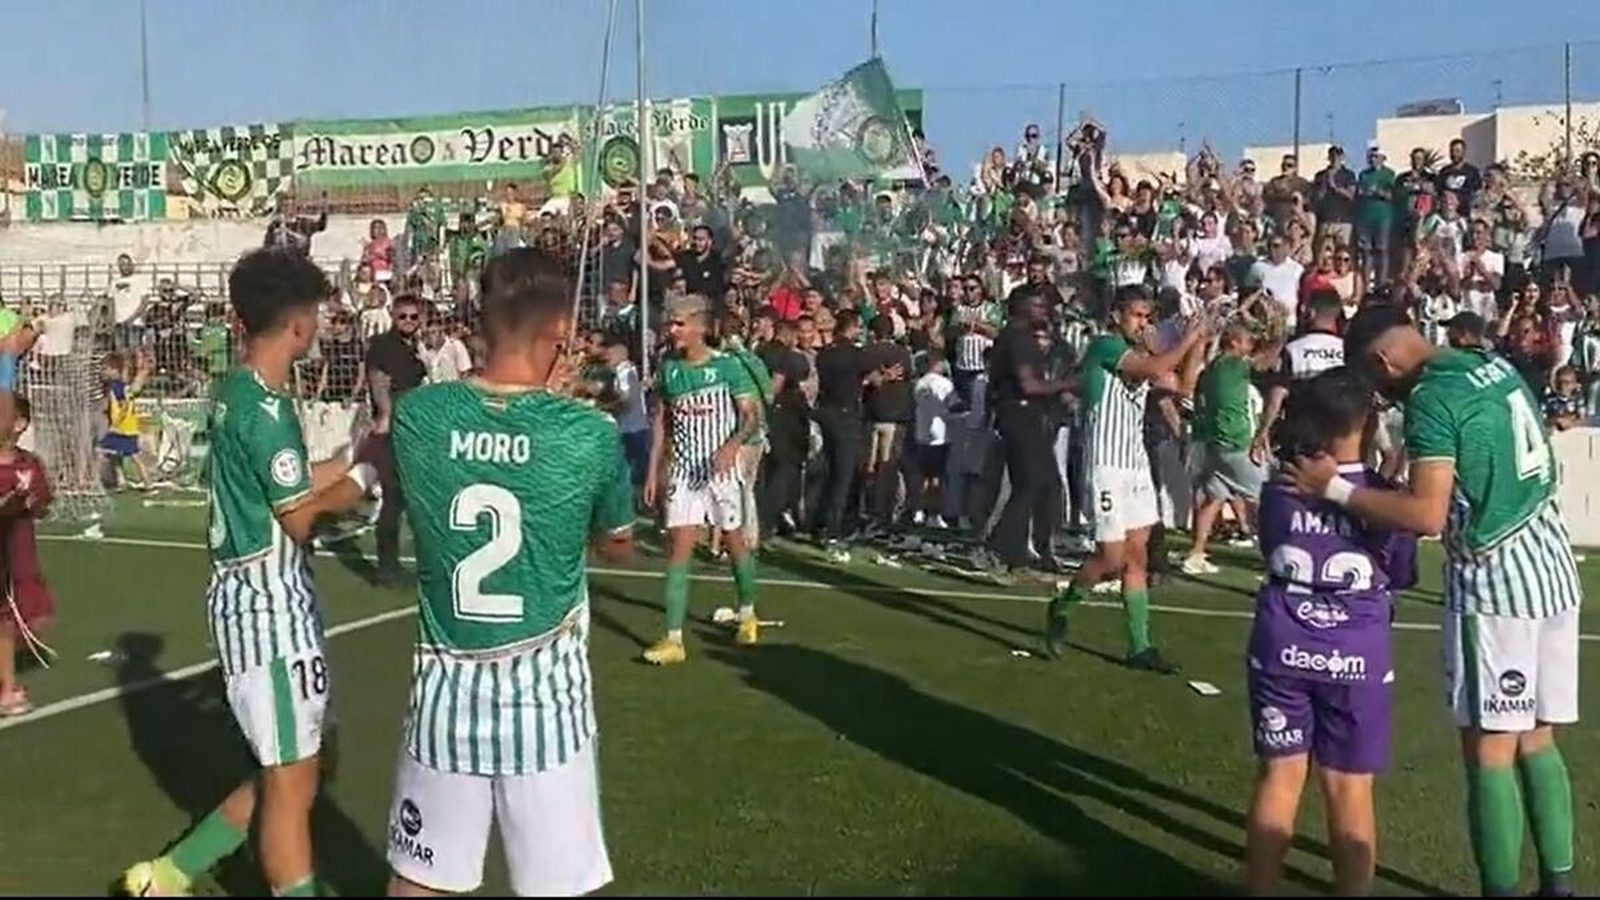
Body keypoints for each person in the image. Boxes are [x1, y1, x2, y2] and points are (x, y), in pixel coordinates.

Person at [1284, 305, 1581, 898]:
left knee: (1489, 749)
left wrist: (1333, 488)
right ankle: (1560, 885)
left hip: (1496, 581)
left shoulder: (1432, 398)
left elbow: (1426, 513)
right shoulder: (1487, 362)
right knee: (1538, 738)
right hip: (1551, 561)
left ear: (1383, 360)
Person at [121, 249, 379, 898]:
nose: (319, 324)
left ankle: (170, 875)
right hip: (267, 607)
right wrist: (368, 476)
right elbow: (299, 519)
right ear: (298, 324)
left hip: (264, 599)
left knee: (297, 769)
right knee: (291, 783)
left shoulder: (239, 391)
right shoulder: (266, 410)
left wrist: (353, 458)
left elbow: (283, 485)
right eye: (316, 313)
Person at [384, 248, 634, 897]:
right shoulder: (588, 432)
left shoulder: (418, 414)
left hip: (444, 696)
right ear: (561, 332)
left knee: (419, 884)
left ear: (481, 322)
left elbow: (476, 440)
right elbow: (619, 546)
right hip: (544, 703)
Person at [1244, 368, 1417, 896]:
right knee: (1349, 788)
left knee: (1279, 776)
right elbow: (1402, 571)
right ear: (1366, 423)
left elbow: (1269, 546)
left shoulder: (1282, 485)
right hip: (1355, 651)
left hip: (1282, 639)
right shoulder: (1383, 498)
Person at [1044, 285, 1205, 672]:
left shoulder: (1145, 355)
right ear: (1116, 316)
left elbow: (1181, 387)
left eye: (1148, 317)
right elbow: (1152, 371)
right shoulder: (1105, 346)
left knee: (1137, 557)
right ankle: (1063, 604)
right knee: (1111, 557)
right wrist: (1185, 340)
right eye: (1137, 315)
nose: (1143, 324)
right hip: (1106, 465)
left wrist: (1198, 344)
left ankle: (1140, 646)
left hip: (1135, 465)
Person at [641, 294, 762, 665]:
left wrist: (732, 446)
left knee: (734, 543)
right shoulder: (669, 368)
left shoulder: (727, 366)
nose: (672, 330)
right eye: (670, 323)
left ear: (699, 326)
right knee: (679, 550)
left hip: (722, 472)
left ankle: (747, 612)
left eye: (679, 323)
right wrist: (653, 470)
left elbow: (751, 416)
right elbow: (661, 421)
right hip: (684, 472)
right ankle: (673, 639)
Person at [1183, 322, 1262, 575]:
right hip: (1237, 442)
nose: (1251, 347)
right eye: (1248, 341)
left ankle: (1196, 554)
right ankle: (1275, 555)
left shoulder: (1210, 370)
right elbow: (1268, 359)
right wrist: (1281, 331)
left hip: (1214, 442)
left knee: (1214, 497)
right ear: (1235, 342)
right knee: (1266, 497)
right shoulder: (1237, 366)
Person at [365, 294, 429, 584]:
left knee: (408, 496)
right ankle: (387, 566)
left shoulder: (413, 346)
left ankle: (399, 563)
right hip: (395, 426)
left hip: (414, 425)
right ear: (392, 315)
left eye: (414, 317)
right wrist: (386, 417)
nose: (409, 321)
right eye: (403, 316)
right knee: (393, 497)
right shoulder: (383, 345)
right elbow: (378, 382)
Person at [0, 396, 53, 717]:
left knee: (12, 617)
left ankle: (6, 689)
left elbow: (42, 503)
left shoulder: (28, 464)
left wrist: (29, 501)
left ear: (19, 424)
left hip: (14, 552)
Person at [1250, 288, 1346, 464]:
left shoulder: (1294, 350)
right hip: (1339, 437)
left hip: (1301, 438)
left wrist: (1263, 431)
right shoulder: (1347, 350)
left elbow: (1277, 395)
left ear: (1311, 312)